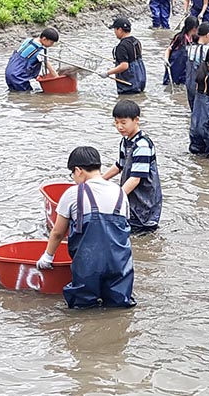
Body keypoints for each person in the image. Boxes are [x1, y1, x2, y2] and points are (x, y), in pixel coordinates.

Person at [37, 145, 135, 309]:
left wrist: (48, 256)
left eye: (72, 174)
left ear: (78, 170)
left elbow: (57, 232)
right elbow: (123, 229)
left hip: (88, 265)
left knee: (82, 309)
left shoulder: (72, 193)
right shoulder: (120, 193)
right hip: (119, 263)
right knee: (119, 308)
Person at [103, 98, 162, 233]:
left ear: (136, 120)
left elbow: (136, 178)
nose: (119, 127)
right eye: (116, 122)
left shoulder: (143, 145)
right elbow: (119, 165)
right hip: (131, 196)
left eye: (123, 122)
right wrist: (99, 180)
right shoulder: (125, 141)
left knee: (142, 232)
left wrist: (117, 198)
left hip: (144, 200)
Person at [4, 27, 59, 91]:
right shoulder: (39, 52)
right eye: (51, 42)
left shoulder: (28, 40)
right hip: (18, 77)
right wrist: (58, 79)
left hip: (9, 73)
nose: (52, 45)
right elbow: (49, 67)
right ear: (44, 39)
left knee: (14, 92)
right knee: (25, 94)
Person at [105, 18, 146, 95]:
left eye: (115, 29)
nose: (114, 32)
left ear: (120, 30)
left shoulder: (121, 46)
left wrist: (107, 73)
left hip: (128, 84)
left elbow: (124, 66)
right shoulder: (136, 41)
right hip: (140, 80)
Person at [185, 21, 209, 109]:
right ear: (208, 35)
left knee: (193, 110)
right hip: (201, 86)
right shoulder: (207, 50)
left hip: (189, 83)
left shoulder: (189, 48)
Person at [163, 16, 197, 87]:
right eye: (195, 27)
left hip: (186, 68)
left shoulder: (195, 38)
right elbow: (169, 49)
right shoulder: (180, 38)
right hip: (175, 66)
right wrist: (166, 59)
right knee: (171, 84)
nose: (196, 29)